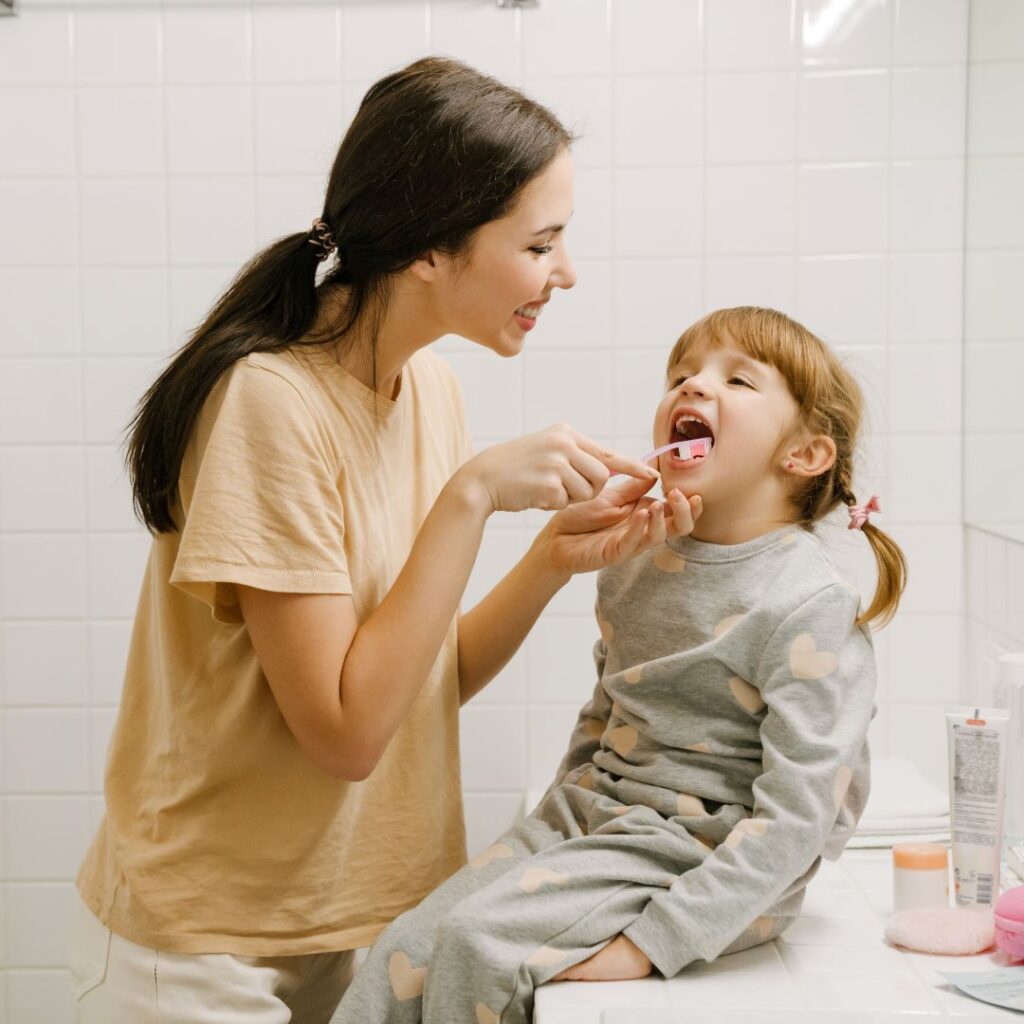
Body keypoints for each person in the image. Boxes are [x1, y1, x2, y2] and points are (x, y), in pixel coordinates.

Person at [70, 57, 693, 1022]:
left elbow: (409, 687)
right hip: (205, 950)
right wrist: (474, 494)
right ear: (431, 251)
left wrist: (547, 563)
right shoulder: (269, 403)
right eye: (542, 243)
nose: (565, 273)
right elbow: (347, 734)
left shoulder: (427, 387)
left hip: (344, 921)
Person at [331, 305, 909, 1024]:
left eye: (737, 379)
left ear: (805, 455)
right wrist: (543, 829)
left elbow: (800, 819)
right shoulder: (637, 564)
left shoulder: (807, 601)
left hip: (698, 854)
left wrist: (652, 942)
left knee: (479, 946)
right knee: (408, 945)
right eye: (682, 374)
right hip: (594, 823)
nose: (693, 389)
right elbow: (606, 718)